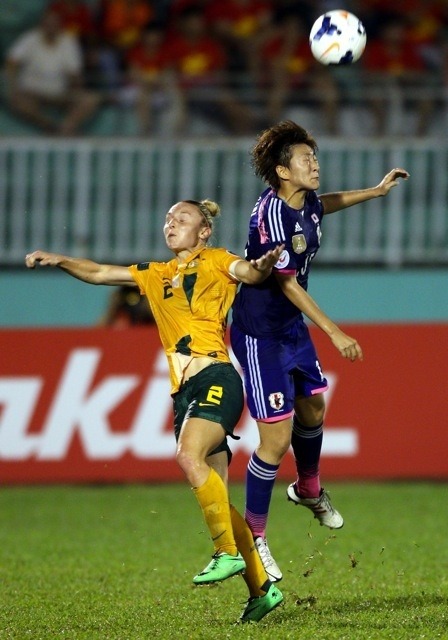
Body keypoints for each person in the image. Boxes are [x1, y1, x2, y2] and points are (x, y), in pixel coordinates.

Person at [25, 198, 284, 623]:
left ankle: (225, 553)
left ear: (203, 231)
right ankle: (261, 591)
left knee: (187, 456)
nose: (171, 224)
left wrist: (265, 264)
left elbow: (250, 272)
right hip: (183, 393)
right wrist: (59, 259)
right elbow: (100, 272)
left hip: (216, 377)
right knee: (216, 491)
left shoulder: (218, 261)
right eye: (167, 218)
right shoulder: (155, 273)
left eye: (182, 219)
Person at [230, 120, 409, 582]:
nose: (315, 163)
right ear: (282, 171)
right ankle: (254, 538)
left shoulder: (304, 201)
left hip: (289, 329)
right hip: (260, 334)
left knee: (313, 407)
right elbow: (286, 282)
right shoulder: (270, 214)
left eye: (315, 156)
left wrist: (374, 192)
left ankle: (308, 488)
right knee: (275, 440)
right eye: (306, 159)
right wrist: (333, 331)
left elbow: (322, 207)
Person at [4, 7, 101, 136]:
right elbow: (12, 62)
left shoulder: (68, 41)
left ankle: (65, 128)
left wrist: (76, 85)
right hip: (32, 92)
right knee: (17, 100)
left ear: (60, 25)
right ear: (42, 25)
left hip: (60, 93)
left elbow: (73, 73)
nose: (51, 26)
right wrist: (13, 85)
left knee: (91, 99)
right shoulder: (30, 38)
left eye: (55, 23)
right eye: (48, 23)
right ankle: (49, 126)